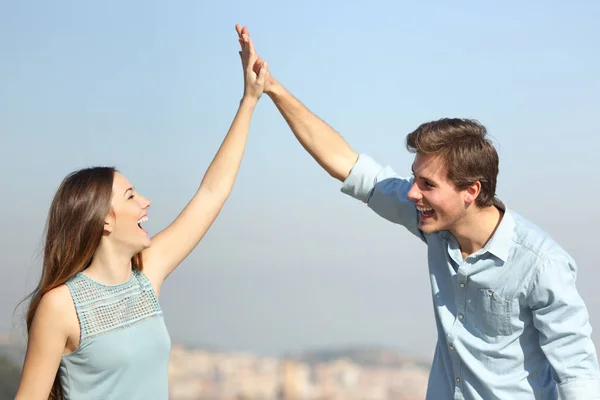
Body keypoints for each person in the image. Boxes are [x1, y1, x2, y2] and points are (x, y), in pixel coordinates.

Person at [234, 25, 600, 399]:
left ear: (470, 191)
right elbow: (345, 163)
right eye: (414, 179)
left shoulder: (542, 264)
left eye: (427, 184)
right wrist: (273, 88)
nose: (412, 193)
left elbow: (579, 378)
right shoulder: (435, 225)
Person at [14, 30, 268, 400]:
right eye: (131, 195)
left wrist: (249, 101)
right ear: (104, 219)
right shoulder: (59, 306)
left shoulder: (146, 276)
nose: (146, 202)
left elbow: (212, 193)